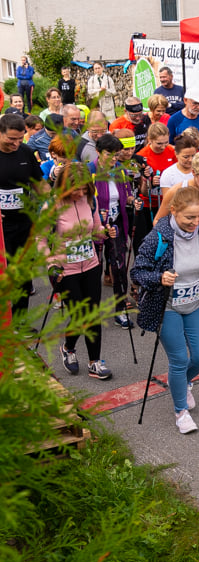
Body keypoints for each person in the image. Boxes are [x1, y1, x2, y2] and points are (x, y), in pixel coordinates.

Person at [131, 186, 199, 434]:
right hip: (167, 305)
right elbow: (137, 272)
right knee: (179, 359)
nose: (196, 222)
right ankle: (181, 412)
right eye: (190, 217)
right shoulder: (159, 236)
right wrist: (159, 277)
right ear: (173, 211)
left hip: (196, 302)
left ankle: (181, 382)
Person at [41, 162, 115, 379]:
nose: (81, 193)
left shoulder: (90, 201)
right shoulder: (51, 207)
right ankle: (68, 348)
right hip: (65, 269)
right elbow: (40, 238)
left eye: (84, 189)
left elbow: (97, 229)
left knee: (92, 313)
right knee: (78, 314)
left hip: (90, 263)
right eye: (76, 189)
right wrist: (51, 264)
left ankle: (94, 362)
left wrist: (106, 232)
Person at [0, 114, 48, 321]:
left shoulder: (26, 152)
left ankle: (19, 322)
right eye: (11, 139)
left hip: (23, 222)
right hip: (0, 227)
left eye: (20, 139)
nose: (16, 143)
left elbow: (39, 184)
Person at [89, 133, 135, 328]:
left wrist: (134, 201)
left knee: (119, 268)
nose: (114, 158)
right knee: (94, 270)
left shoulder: (120, 171)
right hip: (94, 228)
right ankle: (90, 311)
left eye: (117, 155)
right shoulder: (88, 171)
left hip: (116, 226)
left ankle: (120, 309)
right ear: (98, 152)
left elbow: (127, 195)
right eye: (110, 154)